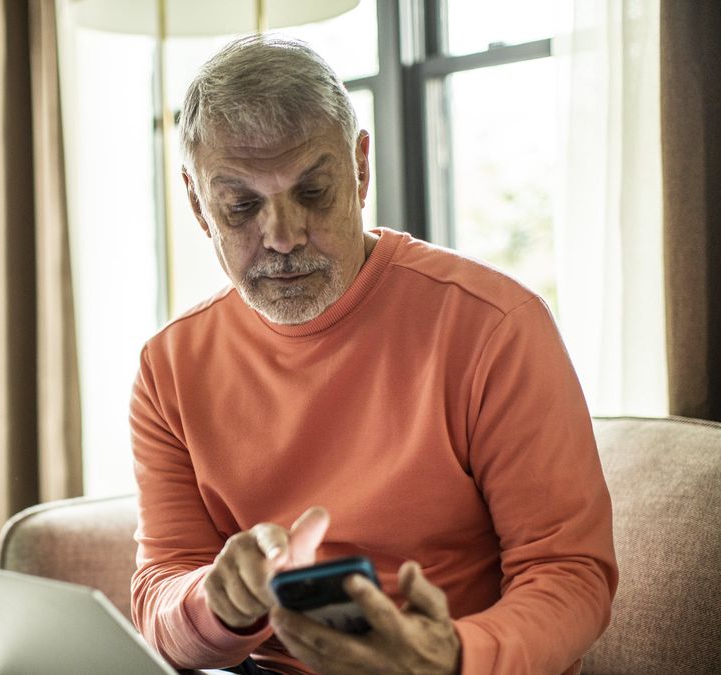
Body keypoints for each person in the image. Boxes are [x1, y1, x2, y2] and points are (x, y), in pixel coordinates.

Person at [129, 34, 617, 675]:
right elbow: (158, 590)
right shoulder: (169, 366)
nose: (282, 237)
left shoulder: (496, 326)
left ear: (360, 169)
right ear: (198, 204)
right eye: (241, 206)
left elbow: (570, 573)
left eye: (312, 193)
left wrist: (453, 656)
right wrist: (211, 605)